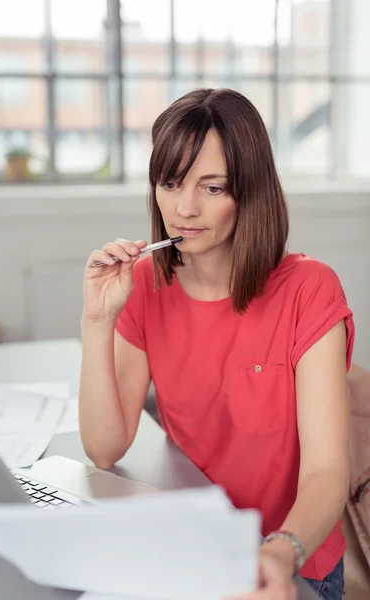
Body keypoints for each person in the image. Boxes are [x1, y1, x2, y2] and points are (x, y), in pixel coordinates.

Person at [79, 88, 354, 600]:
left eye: (212, 188)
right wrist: (97, 322)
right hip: (194, 548)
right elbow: (104, 447)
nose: (183, 207)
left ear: (249, 192)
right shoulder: (143, 285)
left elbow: (326, 472)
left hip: (290, 557)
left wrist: (278, 551)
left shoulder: (310, 290)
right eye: (171, 182)